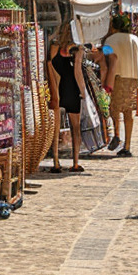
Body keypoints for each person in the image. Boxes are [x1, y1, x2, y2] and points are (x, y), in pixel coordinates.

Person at [47, 24, 86, 173]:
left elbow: (50, 65)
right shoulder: (78, 50)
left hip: (57, 89)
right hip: (72, 90)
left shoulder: (54, 48)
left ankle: (56, 162)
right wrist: (83, 92)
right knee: (75, 128)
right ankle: (75, 163)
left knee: (56, 128)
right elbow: (77, 72)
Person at [102, 14, 138, 156]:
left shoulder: (110, 40)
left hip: (117, 77)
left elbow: (107, 57)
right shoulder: (134, 39)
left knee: (114, 108)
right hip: (132, 77)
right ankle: (128, 144)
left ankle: (117, 134)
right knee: (128, 113)